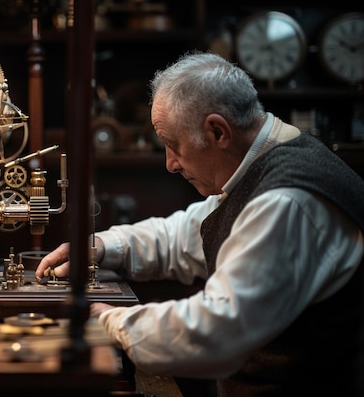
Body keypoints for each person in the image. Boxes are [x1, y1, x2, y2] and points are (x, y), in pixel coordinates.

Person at [35, 51, 364, 396]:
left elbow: (216, 330)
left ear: (217, 131)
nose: (170, 164)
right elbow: (186, 233)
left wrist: (107, 318)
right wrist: (102, 247)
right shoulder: (265, 167)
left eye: (173, 146)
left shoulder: (286, 200)